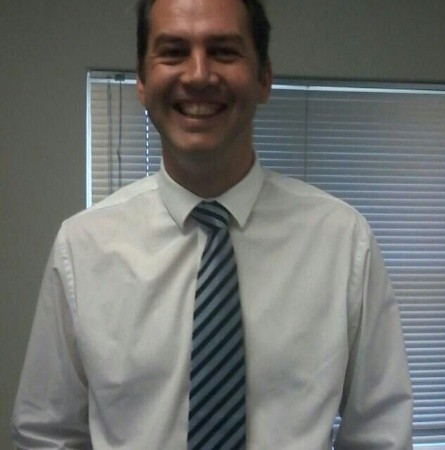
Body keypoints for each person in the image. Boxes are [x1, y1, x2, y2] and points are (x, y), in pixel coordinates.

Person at [12, 0, 413, 448]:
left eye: (224, 51)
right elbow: (48, 435)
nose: (199, 74)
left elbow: (380, 434)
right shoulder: (81, 248)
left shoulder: (344, 243)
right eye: (173, 52)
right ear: (141, 81)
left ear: (264, 78)